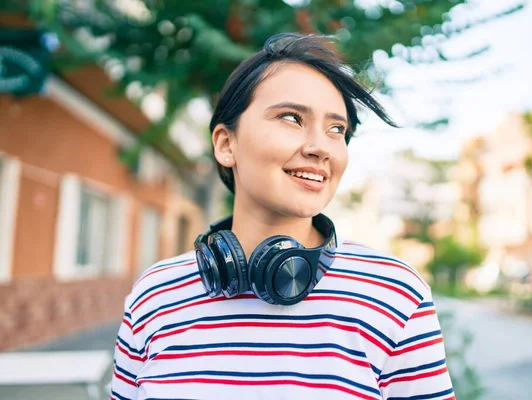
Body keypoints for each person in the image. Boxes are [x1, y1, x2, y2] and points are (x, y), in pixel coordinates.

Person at [110, 32, 454, 400]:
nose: (320, 148)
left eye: (336, 129)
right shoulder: (154, 296)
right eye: (292, 118)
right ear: (227, 144)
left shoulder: (396, 293)